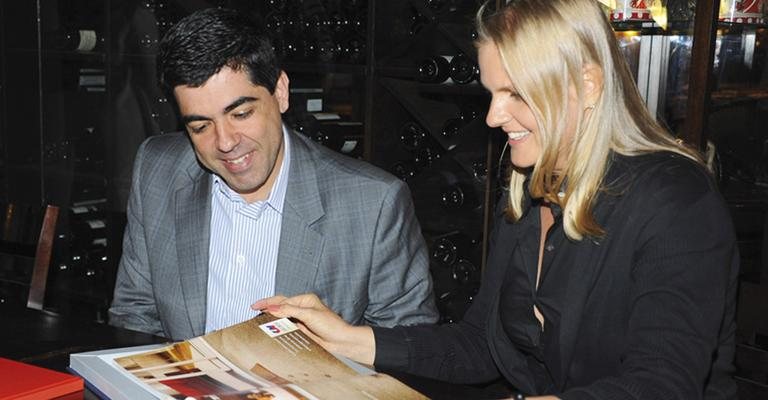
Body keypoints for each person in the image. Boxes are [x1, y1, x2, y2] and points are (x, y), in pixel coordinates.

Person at [252, 0, 739, 398]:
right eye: (490, 93)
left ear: (587, 85)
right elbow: (480, 345)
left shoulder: (677, 202)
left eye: (514, 94)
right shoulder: (531, 192)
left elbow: (662, 385)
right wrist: (348, 338)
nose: (492, 117)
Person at [108, 7, 438, 341]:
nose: (224, 142)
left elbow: (406, 351)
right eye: (200, 125)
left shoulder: (373, 204)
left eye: (240, 113)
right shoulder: (156, 169)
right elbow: (135, 315)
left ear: (280, 91)